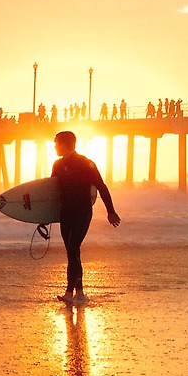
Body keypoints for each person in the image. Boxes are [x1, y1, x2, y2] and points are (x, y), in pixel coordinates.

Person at [51, 130, 120, 304]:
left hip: (82, 212)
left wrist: (110, 211)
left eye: (56, 143)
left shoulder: (86, 164)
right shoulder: (57, 165)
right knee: (71, 252)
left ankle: (69, 291)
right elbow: (50, 193)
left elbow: (101, 187)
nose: (54, 147)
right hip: (65, 213)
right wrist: (43, 216)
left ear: (65, 144)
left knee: (73, 248)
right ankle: (80, 291)